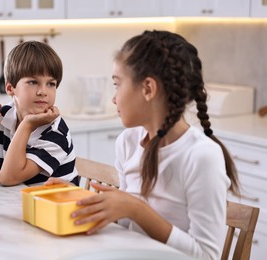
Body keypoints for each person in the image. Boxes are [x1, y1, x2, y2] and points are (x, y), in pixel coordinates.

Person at [45, 30, 240, 259]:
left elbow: (206, 255)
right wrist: (84, 200)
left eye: (117, 85)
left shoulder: (201, 156)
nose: (114, 98)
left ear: (148, 89)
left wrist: (136, 208)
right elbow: (130, 226)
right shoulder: (128, 142)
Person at [0, 41, 78, 186]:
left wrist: (27, 125)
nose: (43, 91)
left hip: (57, 206)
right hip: (21, 202)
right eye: (33, 82)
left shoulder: (56, 134)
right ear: (10, 88)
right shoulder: (3, 117)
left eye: (51, 84)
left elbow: (8, 179)